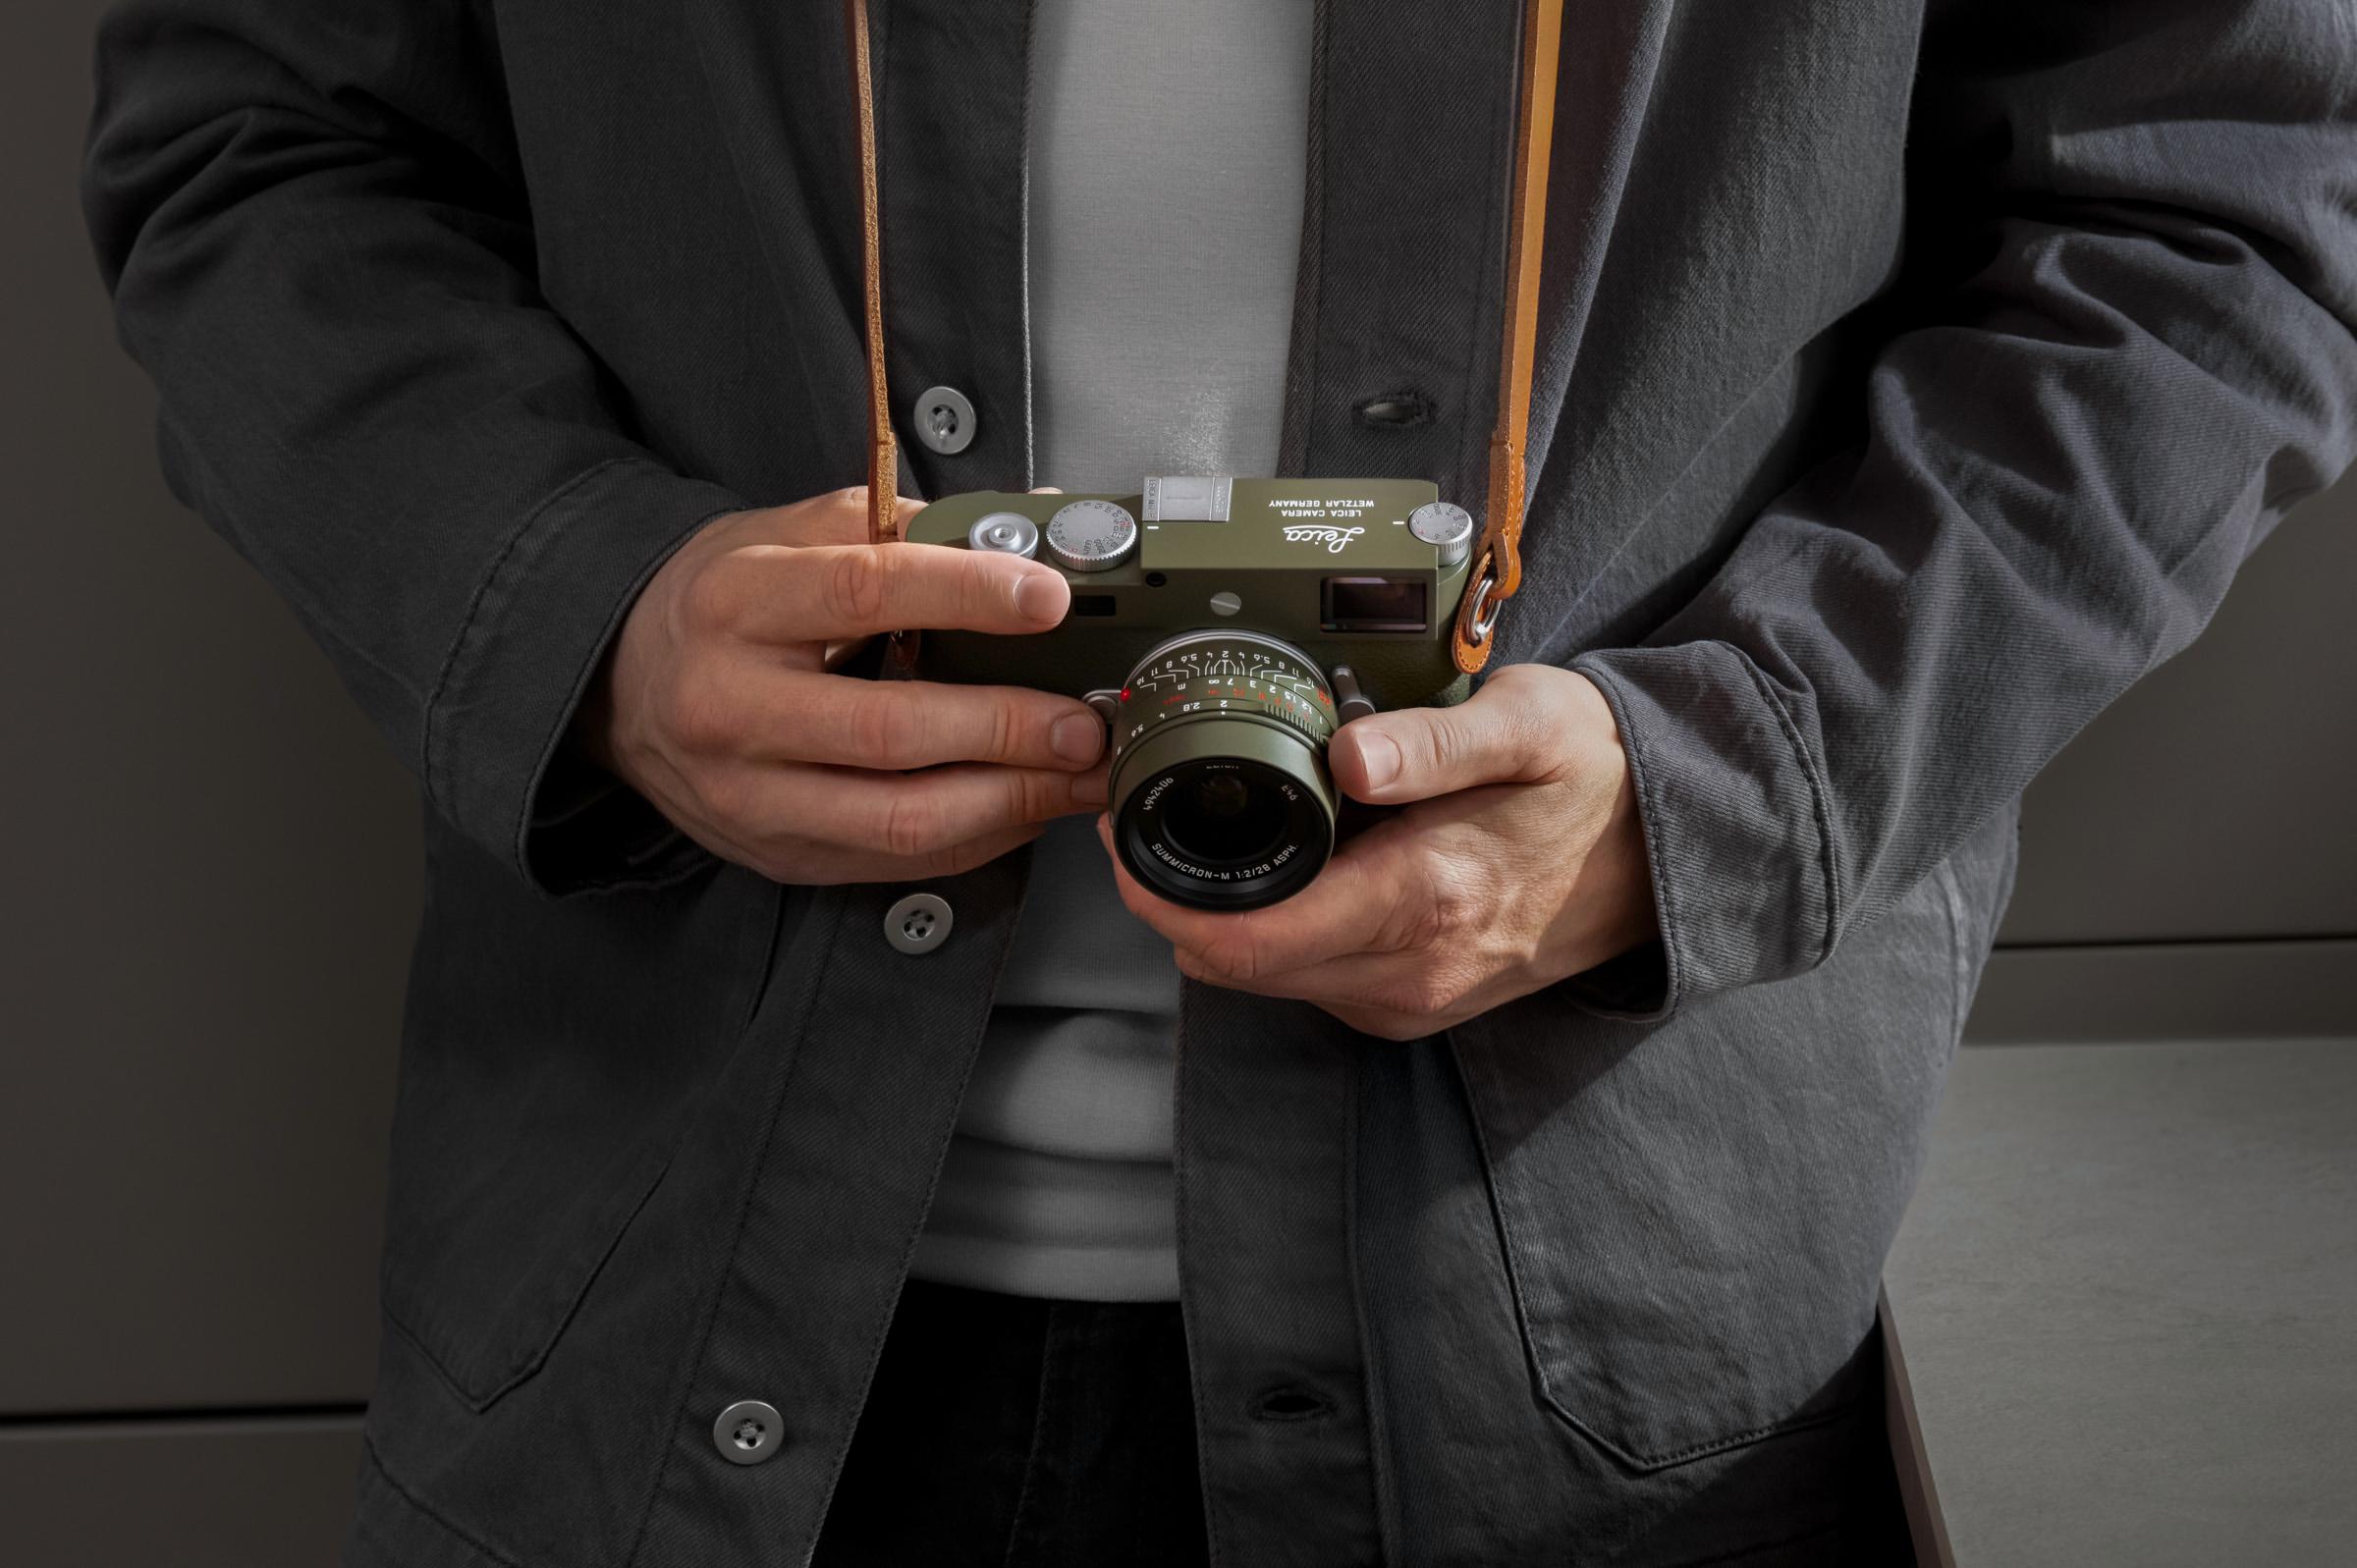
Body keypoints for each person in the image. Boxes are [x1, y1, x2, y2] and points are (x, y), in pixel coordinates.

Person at [82, 0, 2356, 1561]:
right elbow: (261, 140)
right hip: (651, 1337)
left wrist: (1733, 779)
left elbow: (2223, 203)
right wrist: (584, 622)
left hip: (1613, 1377)